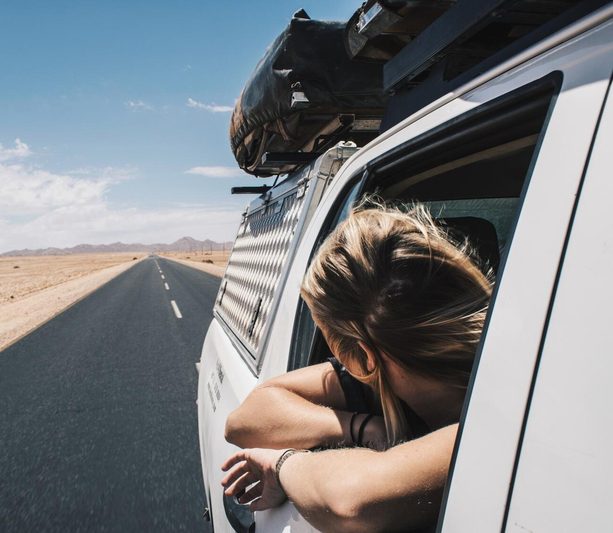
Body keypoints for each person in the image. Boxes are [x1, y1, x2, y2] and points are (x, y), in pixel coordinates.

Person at [221, 201, 493, 533]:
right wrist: (362, 427)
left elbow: (351, 502)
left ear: (365, 358)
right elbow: (243, 420)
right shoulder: (515, 371)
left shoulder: (488, 425)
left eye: (328, 339)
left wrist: (281, 465)